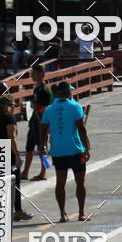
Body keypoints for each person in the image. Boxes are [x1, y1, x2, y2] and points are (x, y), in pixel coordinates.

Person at [39, 81, 90, 222]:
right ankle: (81, 213)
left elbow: (43, 130)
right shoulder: (75, 106)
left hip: (58, 151)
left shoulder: (49, 109)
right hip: (76, 150)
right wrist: (87, 148)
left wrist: (42, 148)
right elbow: (81, 129)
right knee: (80, 181)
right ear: (69, 93)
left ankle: (62, 214)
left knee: (60, 183)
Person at [0, 94, 32, 222]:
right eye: (12, 106)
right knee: (14, 182)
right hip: (6, 153)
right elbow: (11, 136)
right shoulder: (9, 118)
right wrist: (17, 155)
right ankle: (18, 211)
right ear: (8, 106)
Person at [21, 63, 52, 181]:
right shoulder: (37, 88)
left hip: (41, 122)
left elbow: (43, 107)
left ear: (42, 74)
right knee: (29, 147)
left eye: (34, 73)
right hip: (34, 121)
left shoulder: (44, 90)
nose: (32, 75)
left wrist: (34, 105)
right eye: (31, 73)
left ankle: (44, 171)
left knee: (41, 148)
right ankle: (25, 172)